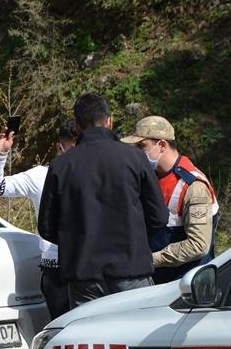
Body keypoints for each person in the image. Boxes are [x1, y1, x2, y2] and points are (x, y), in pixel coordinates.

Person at [38, 93, 168, 308]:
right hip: (131, 269)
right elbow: (159, 217)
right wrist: (135, 240)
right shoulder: (135, 158)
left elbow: (46, 227)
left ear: (77, 126)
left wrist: (78, 243)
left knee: (91, 340)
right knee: (134, 338)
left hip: (83, 276)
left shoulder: (61, 165)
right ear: (110, 121)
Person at [0, 118, 79, 318]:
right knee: (62, 332)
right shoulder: (40, 176)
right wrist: (0, 154)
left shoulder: (102, 172)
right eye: (71, 149)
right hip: (57, 270)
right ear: (60, 147)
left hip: (94, 267)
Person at [121, 116, 219, 284]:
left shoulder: (194, 187)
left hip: (187, 286)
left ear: (162, 145)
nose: (137, 152)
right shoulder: (151, 177)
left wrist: (151, 259)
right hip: (159, 281)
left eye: (142, 146)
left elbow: (198, 245)